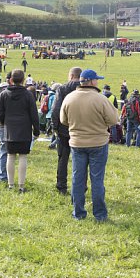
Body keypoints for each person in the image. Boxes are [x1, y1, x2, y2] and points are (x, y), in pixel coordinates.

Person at [61, 69, 119, 221]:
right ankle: (99, 214)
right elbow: (113, 120)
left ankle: (78, 212)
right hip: (98, 143)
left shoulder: (69, 98)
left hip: (77, 143)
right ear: (92, 82)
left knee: (77, 178)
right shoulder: (100, 99)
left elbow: (63, 120)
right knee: (97, 179)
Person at [0, 69, 40, 193]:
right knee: (23, 157)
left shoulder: (4, 94)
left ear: (11, 79)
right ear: (23, 80)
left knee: (10, 156)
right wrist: (36, 130)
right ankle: (21, 185)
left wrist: (7, 122)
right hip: (24, 129)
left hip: (10, 129)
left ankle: (10, 184)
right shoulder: (28, 95)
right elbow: (34, 114)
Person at [50, 67, 82, 195]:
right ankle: (80, 186)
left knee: (63, 159)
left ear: (71, 76)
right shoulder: (86, 89)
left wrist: (55, 127)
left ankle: (61, 185)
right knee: (80, 160)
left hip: (64, 129)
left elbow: (55, 109)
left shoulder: (62, 89)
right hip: (80, 129)